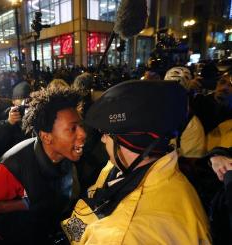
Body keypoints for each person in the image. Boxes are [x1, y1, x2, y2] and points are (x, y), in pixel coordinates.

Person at [62, 80, 210, 244]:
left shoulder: (124, 236)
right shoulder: (125, 168)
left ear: (130, 142)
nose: (103, 140)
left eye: (107, 133)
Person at [0, 87, 86, 244]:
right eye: (72, 129)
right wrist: (24, 204)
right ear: (46, 136)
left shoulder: (69, 156)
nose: (83, 133)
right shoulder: (13, 165)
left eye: (81, 125)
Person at [0, 81, 32, 161]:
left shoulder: (36, 113)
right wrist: (8, 123)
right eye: (21, 99)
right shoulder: (4, 116)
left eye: (28, 99)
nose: (25, 103)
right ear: (13, 101)